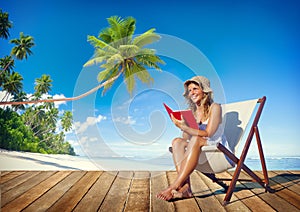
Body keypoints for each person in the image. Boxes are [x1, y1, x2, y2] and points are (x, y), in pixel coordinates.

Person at [156, 76, 229, 201]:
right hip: (199, 151)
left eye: (195, 88)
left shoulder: (215, 107)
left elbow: (208, 133)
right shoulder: (191, 112)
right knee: (177, 141)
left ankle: (175, 185)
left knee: (196, 139)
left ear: (204, 90)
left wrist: (185, 126)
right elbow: (186, 138)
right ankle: (186, 188)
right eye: (190, 90)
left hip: (217, 151)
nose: (192, 93)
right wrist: (183, 126)